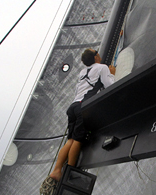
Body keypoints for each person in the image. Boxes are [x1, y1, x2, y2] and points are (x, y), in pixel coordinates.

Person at [49, 49, 115, 181]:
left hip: (73, 106)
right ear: (96, 57)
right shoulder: (102, 68)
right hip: (84, 107)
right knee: (78, 140)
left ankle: (56, 170)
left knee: (70, 140)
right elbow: (110, 85)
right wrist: (112, 73)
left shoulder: (82, 72)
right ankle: (69, 172)